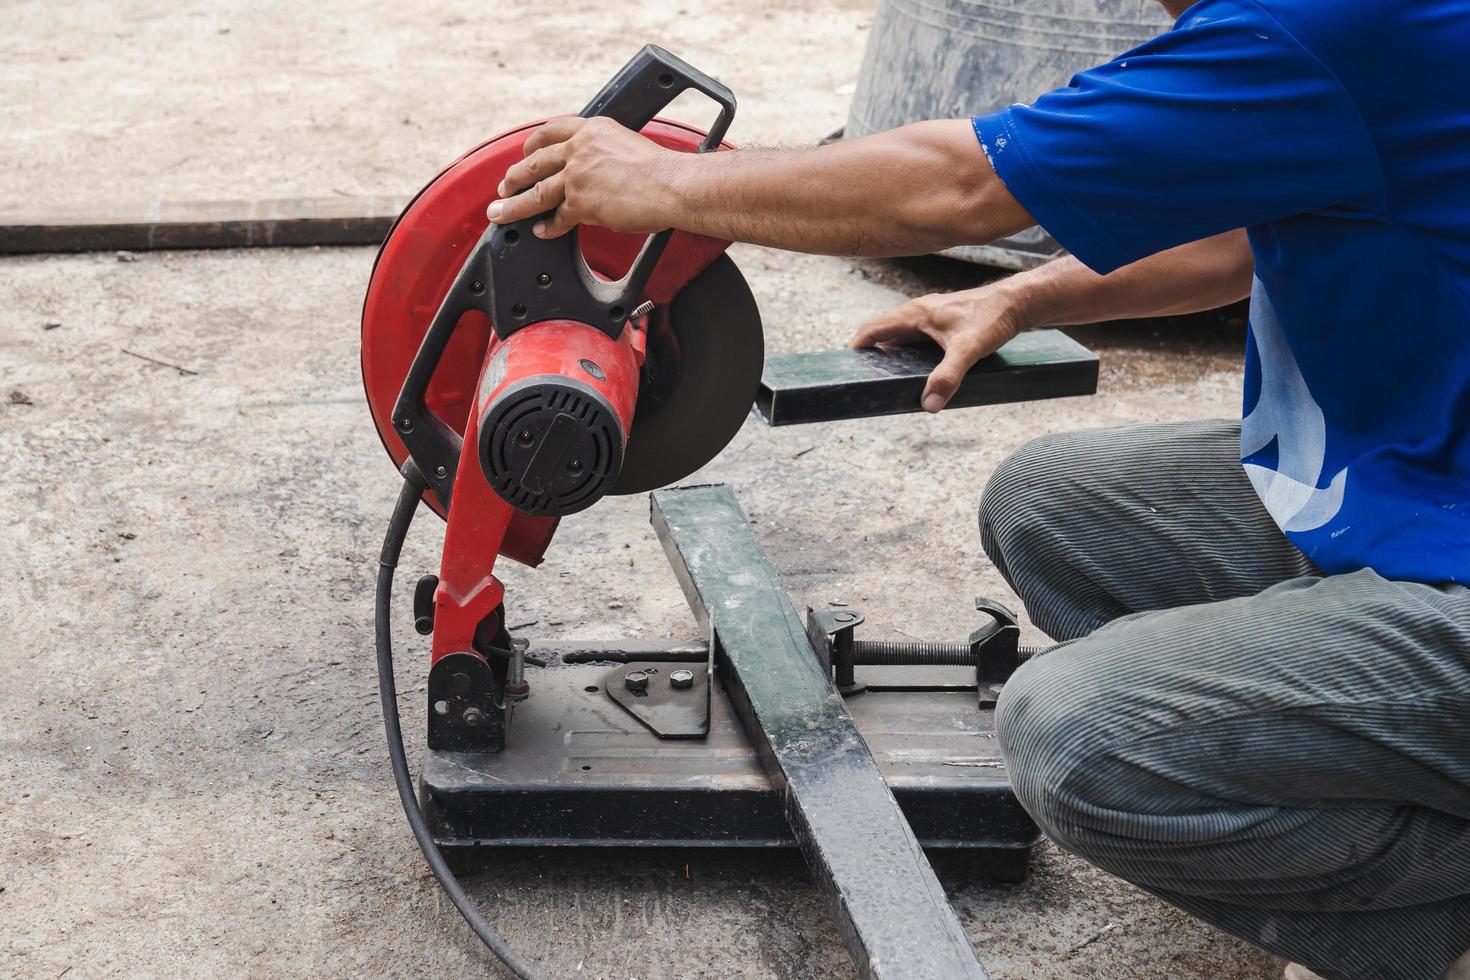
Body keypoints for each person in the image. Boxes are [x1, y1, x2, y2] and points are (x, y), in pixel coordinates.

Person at [485, 1, 1470, 976]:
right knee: (1048, 510)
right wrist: (1028, 292)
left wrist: (667, 180)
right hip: (1425, 493)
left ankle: (1431, 916)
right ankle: (1367, 738)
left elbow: (961, 186)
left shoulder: (1325, 23)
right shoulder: (1317, 43)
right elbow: (1251, 226)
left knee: (1070, 740)